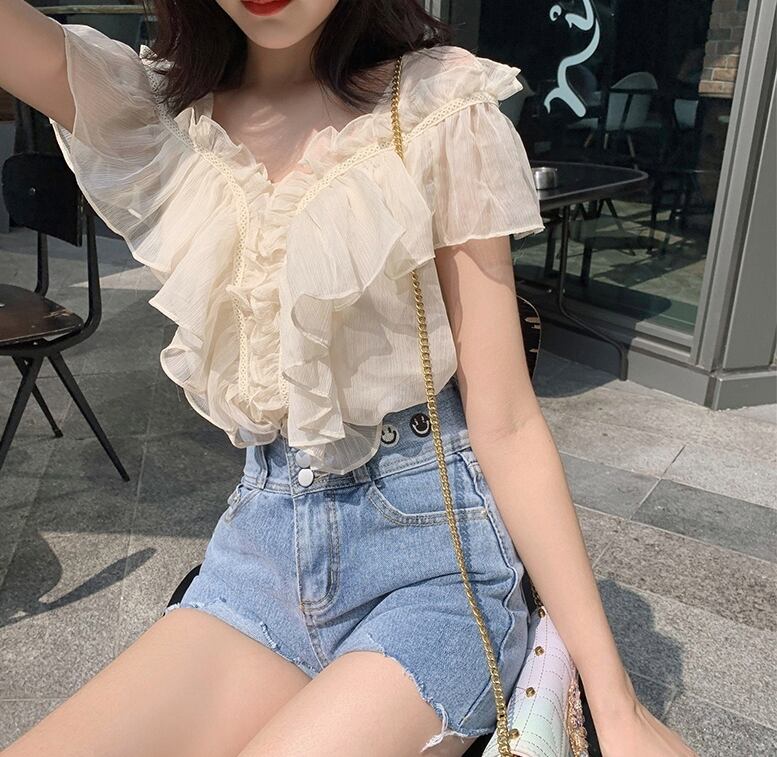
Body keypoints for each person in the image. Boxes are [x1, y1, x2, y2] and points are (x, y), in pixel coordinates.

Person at [0, 1, 698, 756]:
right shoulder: (169, 114)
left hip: (431, 568)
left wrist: (618, 706)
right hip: (260, 556)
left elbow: (507, 421)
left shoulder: (437, 106)